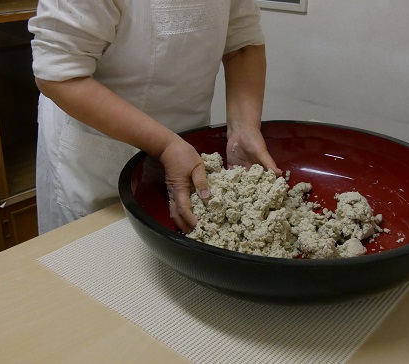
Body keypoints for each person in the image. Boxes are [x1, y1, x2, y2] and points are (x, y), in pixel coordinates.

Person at [28, 1, 281, 234]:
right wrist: (165, 145)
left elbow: (242, 45)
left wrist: (243, 128)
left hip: (186, 150)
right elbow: (60, 75)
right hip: (100, 161)